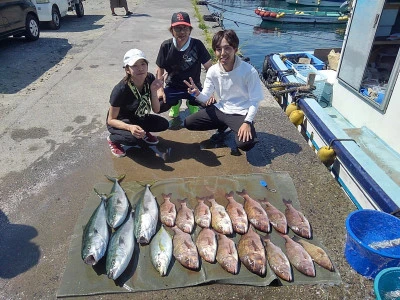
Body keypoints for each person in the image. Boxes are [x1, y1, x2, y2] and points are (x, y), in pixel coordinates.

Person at [183, 29, 264, 152]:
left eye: (227, 48)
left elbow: (255, 101)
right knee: (189, 123)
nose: (222, 53)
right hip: (221, 108)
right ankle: (224, 126)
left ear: (235, 49)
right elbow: (205, 96)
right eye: (218, 49)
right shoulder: (213, 71)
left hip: (241, 112)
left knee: (245, 144)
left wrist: (247, 122)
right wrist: (197, 93)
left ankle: (240, 126)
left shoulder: (249, 71)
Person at [106, 49, 169, 158]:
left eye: (143, 64)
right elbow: (111, 120)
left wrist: (154, 91)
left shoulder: (149, 78)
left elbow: (157, 110)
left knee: (163, 124)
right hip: (120, 121)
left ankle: (142, 132)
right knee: (132, 139)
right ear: (127, 70)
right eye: (134, 65)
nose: (140, 68)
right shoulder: (120, 89)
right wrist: (129, 127)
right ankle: (113, 140)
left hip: (138, 116)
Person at [156, 11, 213, 118]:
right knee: (158, 105)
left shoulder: (197, 45)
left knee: (211, 105)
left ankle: (192, 103)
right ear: (172, 31)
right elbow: (160, 68)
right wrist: (160, 90)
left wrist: (210, 91)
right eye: (177, 28)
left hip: (193, 88)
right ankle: (175, 103)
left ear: (190, 30)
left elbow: (210, 68)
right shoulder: (166, 46)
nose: (182, 32)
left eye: (185, 28)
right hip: (173, 86)